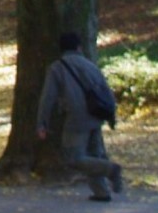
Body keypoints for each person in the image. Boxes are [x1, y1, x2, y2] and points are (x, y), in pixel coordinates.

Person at [35, 31, 124, 201]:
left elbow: (48, 98)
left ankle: (111, 169)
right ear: (78, 47)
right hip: (96, 114)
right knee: (94, 153)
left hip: (77, 116)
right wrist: (111, 117)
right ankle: (101, 192)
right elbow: (105, 91)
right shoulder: (90, 65)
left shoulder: (57, 68)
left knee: (74, 158)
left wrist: (42, 123)